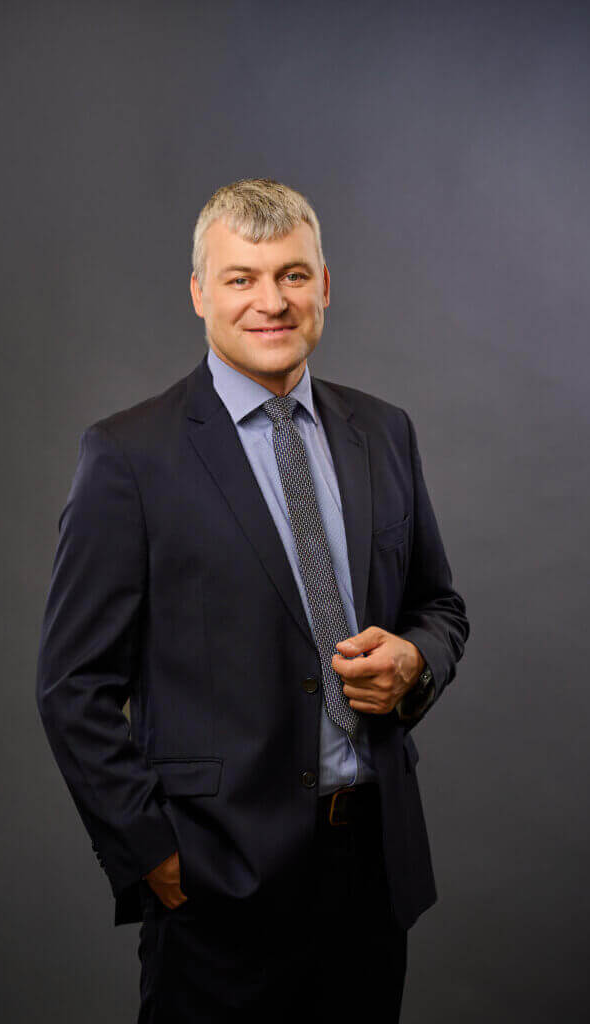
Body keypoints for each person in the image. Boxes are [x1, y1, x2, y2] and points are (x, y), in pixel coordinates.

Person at [36, 177, 469, 1022]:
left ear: (324, 287)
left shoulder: (383, 431)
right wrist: (152, 855)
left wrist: (415, 660)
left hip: (371, 867)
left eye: (292, 275)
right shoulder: (130, 456)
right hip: (214, 880)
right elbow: (72, 687)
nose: (271, 302)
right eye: (241, 278)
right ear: (200, 292)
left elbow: (439, 607)